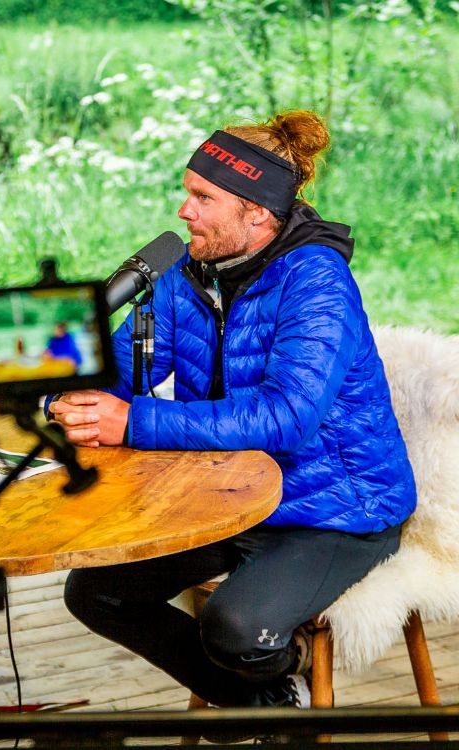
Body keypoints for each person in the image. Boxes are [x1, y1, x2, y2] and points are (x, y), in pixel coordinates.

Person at [47, 111, 415, 709]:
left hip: (332, 509)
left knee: (235, 629)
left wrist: (133, 421)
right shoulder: (183, 272)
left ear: (257, 213)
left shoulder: (317, 282)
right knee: (96, 592)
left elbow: (286, 418)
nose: (182, 211)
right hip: (227, 497)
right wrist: (63, 398)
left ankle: (278, 663)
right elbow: (113, 375)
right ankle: (263, 704)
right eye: (186, 192)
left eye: (202, 197)